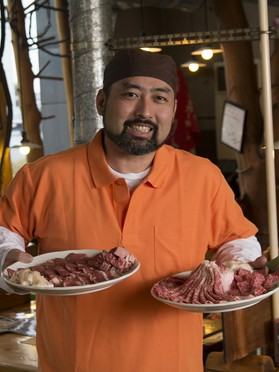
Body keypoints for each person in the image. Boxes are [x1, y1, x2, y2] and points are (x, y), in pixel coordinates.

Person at [0, 49, 265, 372]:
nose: (145, 111)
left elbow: (237, 239)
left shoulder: (202, 177)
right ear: (101, 102)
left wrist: (240, 266)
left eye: (159, 98)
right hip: (72, 363)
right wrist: (8, 258)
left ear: (174, 109)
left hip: (173, 364)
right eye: (130, 94)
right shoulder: (43, 176)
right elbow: (5, 235)